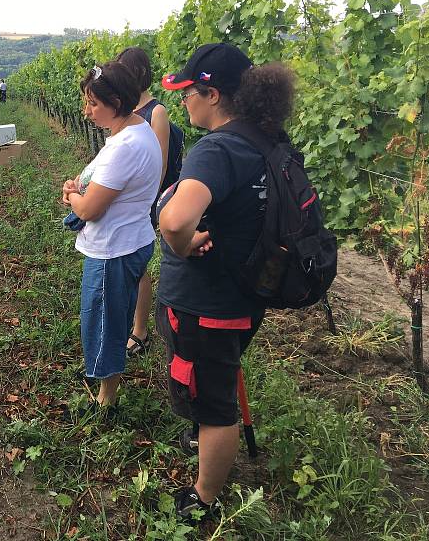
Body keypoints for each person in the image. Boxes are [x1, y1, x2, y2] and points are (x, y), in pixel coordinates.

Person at [155, 43, 296, 520]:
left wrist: (179, 243)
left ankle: (203, 500)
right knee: (217, 378)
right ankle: (204, 441)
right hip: (246, 294)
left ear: (211, 94)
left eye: (189, 91)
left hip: (207, 302)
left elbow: (175, 220)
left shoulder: (217, 149)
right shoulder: (269, 140)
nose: (183, 102)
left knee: (215, 405)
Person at [62, 61, 162, 409]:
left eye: (92, 104)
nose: (86, 112)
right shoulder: (134, 131)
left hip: (114, 249)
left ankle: (106, 400)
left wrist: (74, 197)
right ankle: (102, 373)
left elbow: (90, 210)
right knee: (109, 314)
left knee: (105, 318)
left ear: (115, 103)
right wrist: (79, 189)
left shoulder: (126, 146)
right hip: (127, 240)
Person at [116, 47, 173, 357]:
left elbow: (158, 169)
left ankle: (140, 331)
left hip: (144, 203)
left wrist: (141, 204)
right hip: (127, 202)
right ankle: (130, 323)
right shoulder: (128, 111)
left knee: (139, 265)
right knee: (128, 261)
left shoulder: (156, 112)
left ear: (135, 74)